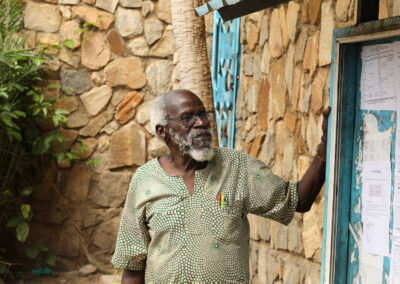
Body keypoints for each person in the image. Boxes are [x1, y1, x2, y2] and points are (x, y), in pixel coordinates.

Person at [112, 89, 330, 283]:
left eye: (203, 114)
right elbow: (132, 267)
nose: (201, 123)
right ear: (163, 131)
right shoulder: (145, 180)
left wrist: (326, 145)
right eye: (187, 117)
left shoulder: (236, 167)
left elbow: (297, 200)